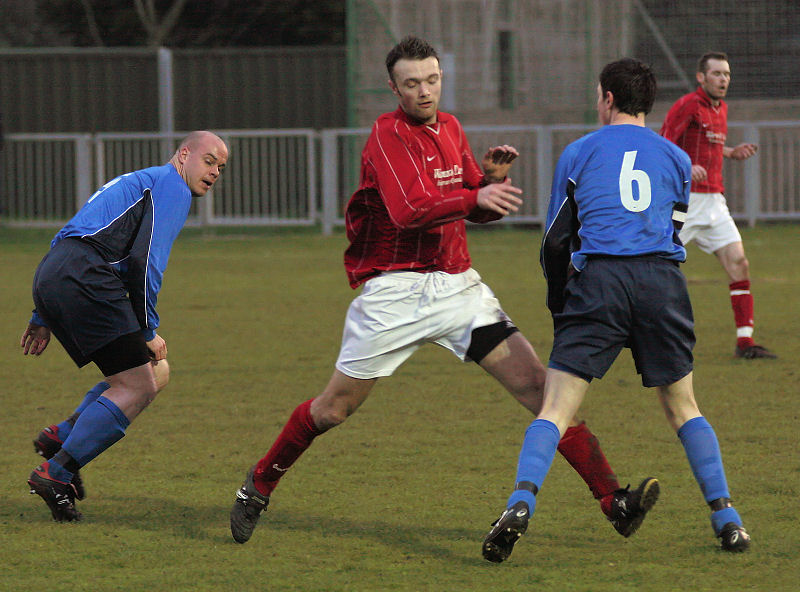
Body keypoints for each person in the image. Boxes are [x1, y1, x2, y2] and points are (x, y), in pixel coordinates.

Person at [229, 36, 657, 546]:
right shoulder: (385, 136)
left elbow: (473, 209)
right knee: (332, 410)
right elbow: (409, 210)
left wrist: (489, 186)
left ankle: (615, 501)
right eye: (412, 84)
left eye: (432, 80)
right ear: (394, 88)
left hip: (458, 288)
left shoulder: (451, 126)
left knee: (543, 391)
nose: (424, 91)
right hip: (396, 292)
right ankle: (258, 484)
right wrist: (476, 193)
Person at [482, 58, 750, 564]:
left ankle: (519, 505)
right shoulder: (673, 157)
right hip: (661, 283)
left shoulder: (580, 151)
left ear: (606, 97)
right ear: (647, 102)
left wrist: (561, 303)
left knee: (555, 409)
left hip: (600, 280)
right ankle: (728, 519)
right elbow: (672, 231)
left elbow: (556, 241)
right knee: (683, 406)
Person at [21, 130, 229, 522]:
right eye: (209, 160)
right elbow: (145, 262)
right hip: (88, 277)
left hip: (57, 271)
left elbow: (65, 235)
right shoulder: (172, 186)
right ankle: (56, 472)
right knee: (139, 386)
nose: (215, 171)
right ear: (184, 154)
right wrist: (148, 329)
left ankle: (63, 437)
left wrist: (41, 312)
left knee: (154, 372)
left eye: (221, 166)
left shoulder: (140, 180)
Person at [660, 52, 775, 359]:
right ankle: (626, 330)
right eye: (717, 74)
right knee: (655, 266)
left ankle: (745, 343)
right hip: (686, 200)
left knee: (739, 262)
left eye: (727, 74)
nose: (724, 79)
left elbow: (708, 143)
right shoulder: (687, 104)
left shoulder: (721, 108)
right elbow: (664, 142)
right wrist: (687, 166)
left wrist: (731, 151)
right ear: (701, 77)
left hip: (714, 200)